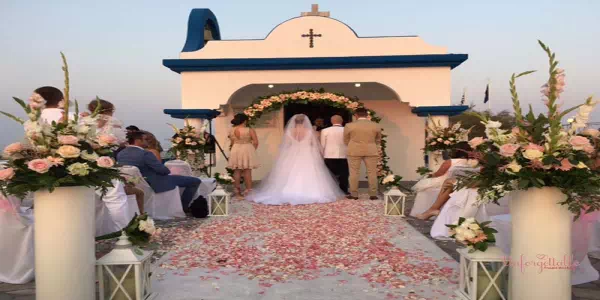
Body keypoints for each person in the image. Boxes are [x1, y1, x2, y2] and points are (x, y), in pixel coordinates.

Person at [249, 114, 344, 205]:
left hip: (292, 153)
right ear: (305, 122)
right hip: (307, 154)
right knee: (310, 172)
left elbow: (286, 145)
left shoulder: (289, 131)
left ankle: (287, 191)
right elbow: (313, 144)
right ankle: (311, 192)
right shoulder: (310, 131)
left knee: (289, 172)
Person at [117, 131, 201, 210]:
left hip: (133, 184)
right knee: (195, 181)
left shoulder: (121, 153)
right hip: (153, 183)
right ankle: (184, 207)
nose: (147, 142)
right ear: (138, 141)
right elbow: (163, 170)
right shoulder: (145, 154)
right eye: (145, 139)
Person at [410, 142, 476, 217]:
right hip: (460, 181)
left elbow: (439, 174)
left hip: (445, 181)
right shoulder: (472, 162)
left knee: (423, 186)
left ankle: (424, 210)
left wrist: (431, 174)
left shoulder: (450, 161)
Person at [344, 108, 382, 200]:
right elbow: (378, 140)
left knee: (354, 173)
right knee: (372, 172)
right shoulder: (376, 125)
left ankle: (354, 194)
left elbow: (346, 140)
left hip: (354, 150)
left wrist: (353, 144)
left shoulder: (349, 125)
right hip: (371, 150)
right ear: (366, 115)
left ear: (356, 115)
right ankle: (373, 194)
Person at [227, 113, 259, 198]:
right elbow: (255, 142)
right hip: (246, 149)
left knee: (236, 171)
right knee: (247, 171)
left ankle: (237, 192)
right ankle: (249, 191)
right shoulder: (249, 130)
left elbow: (232, 142)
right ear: (245, 120)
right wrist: (252, 150)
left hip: (235, 149)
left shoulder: (231, 130)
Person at [320, 115, 349, 195]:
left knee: (329, 175)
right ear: (342, 121)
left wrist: (321, 155)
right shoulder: (346, 130)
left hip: (329, 155)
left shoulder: (325, 130)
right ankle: (344, 190)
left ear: (331, 121)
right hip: (344, 155)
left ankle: (330, 191)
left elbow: (322, 144)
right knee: (344, 174)